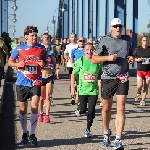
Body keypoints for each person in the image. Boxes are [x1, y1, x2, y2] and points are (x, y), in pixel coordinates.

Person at [91, 18, 134, 149]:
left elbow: (130, 54)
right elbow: (93, 58)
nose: (118, 28)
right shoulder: (104, 40)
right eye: (115, 26)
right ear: (111, 27)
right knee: (106, 108)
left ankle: (118, 139)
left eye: (120, 26)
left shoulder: (127, 40)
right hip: (107, 77)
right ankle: (106, 132)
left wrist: (131, 58)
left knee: (121, 107)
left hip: (123, 77)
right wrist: (108, 58)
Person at [8, 26, 47, 145]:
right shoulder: (19, 49)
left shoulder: (41, 48)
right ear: (26, 36)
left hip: (36, 81)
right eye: (32, 35)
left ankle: (32, 134)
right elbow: (9, 62)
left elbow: (48, 61)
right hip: (22, 82)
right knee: (23, 109)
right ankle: (25, 133)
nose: (34, 37)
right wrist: (17, 64)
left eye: (35, 35)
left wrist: (43, 62)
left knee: (35, 105)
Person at [71, 43, 102, 137]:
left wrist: (102, 91)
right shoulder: (80, 61)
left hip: (93, 91)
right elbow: (73, 74)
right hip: (83, 90)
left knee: (91, 111)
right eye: (87, 50)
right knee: (83, 110)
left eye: (91, 49)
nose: (89, 51)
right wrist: (73, 88)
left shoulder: (97, 62)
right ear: (84, 51)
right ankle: (80, 109)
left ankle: (88, 130)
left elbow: (100, 75)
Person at [38, 44, 56, 123]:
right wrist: (45, 67)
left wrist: (52, 69)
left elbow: (55, 68)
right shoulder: (40, 57)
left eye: (48, 48)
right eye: (45, 48)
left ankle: (47, 115)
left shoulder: (52, 57)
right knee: (41, 98)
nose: (47, 49)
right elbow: (38, 67)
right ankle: (41, 113)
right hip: (42, 77)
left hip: (49, 77)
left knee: (48, 96)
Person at [133, 36, 150, 106]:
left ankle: (143, 100)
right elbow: (132, 58)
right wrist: (137, 60)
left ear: (147, 41)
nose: (145, 42)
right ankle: (138, 92)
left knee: (146, 86)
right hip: (140, 70)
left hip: (148, 71)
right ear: (141, 41)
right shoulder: (137, 49)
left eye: (146, 40)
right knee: (139, 85)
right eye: (143, 40)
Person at [70, 36, 85, 105]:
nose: (82, 42)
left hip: (84, 71)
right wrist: (73, 64)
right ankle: (74, 95)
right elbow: (72, 58)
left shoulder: (87, 50)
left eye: (83, 41)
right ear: (77, 42)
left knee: (80, 86)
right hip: (77, 71)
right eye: (80, 41)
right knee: (76, 85)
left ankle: (78, 102)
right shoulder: (74, 50)